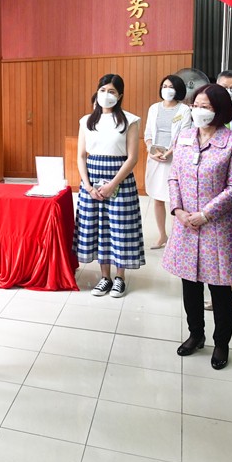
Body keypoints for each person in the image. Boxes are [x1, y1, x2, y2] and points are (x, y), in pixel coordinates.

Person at [164, 84, 232, 370]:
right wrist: (178, 210)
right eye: (196, 106)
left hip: (218, 226)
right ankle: (195, 334)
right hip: (186, 223)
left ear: (220, 110)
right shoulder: (184, 137)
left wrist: (205, 214)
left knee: (220, 290)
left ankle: (221, 342)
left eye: (206, 107)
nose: (198, 111)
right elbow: (174, 176)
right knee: (190, 284)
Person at [76, 73, 145, 298]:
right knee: (99, 229)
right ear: (97, 92)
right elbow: (81, 156)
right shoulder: (87, 121)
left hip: (120, 181)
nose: (106, 95)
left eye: (112, 91)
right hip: (92, 182)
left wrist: (112, 184)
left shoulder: (130, 120)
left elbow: (132, 158)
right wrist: (88, 187)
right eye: (103, 90)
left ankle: (120, 278)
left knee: (120, 229)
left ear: (120, 95)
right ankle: (104, 277)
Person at [143, 74, 191, 249]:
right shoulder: (154, 108)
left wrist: (169, 153)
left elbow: (184, 135)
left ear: (178, 90)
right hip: (155, 156)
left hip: (174, 159)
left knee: (174, 199)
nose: (167, 90)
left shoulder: (184, 110)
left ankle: (177, 237)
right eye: (164, 86)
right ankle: (162, 235)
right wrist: (151, 150)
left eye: (171, 87)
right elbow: (148, 132)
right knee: (157, 197)